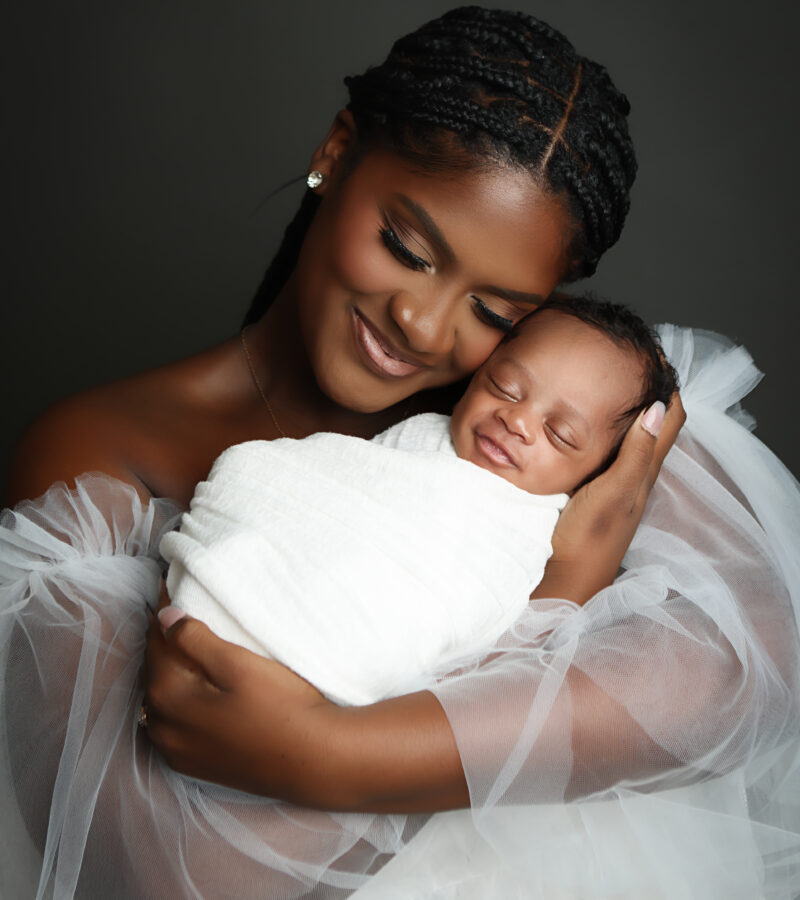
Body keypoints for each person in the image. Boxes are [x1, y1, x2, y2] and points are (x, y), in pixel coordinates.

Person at [1, 6, 797, 898]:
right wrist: (541, 631)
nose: (422, 325)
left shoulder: (561, 410)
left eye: (498, 313)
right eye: (406, 248)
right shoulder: (100, 458)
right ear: (336, 155)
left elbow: (747, 675)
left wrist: (334, 756)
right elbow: (145, 869)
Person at [162, 298, 678, 707]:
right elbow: (328, 491)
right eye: (504, 385)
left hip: (342, 654)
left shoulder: (540, 526)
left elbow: (479, 632)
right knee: (249, 466)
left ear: (596, 473)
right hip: (255, 571)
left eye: (560, 434)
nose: (516, 421)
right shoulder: (425, 430)